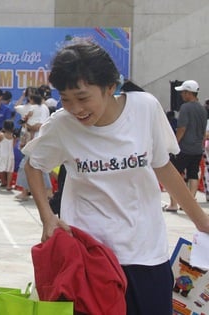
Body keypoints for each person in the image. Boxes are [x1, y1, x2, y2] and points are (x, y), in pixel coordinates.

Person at [23, 41, 209, 315]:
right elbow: (33, 165)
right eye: (66, 99)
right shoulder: (62, 125)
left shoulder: (144, 109)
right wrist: (47, 217)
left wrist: (202, 222)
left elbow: (163, 168)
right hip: (90, 257)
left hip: (146, 253)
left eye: (83, 97)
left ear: (110, 87)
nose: (75, 108)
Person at [165, 80, 207, 212]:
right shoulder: (202, 109)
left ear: (189, 93)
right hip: (197, 148)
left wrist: (174, 144)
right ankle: (188, 204)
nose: (182, 95)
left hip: (184, 147)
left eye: (183, 92)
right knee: (193, 174)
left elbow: (182, 128)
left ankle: (173, 204)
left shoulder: (185, 108)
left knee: (174, 174)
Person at [0, 119, 16, 191]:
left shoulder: (1, 135)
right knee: (9, 170)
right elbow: (13, 145)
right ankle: (8, 185)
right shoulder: (13, 136)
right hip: (10, 155)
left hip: (1, 154)